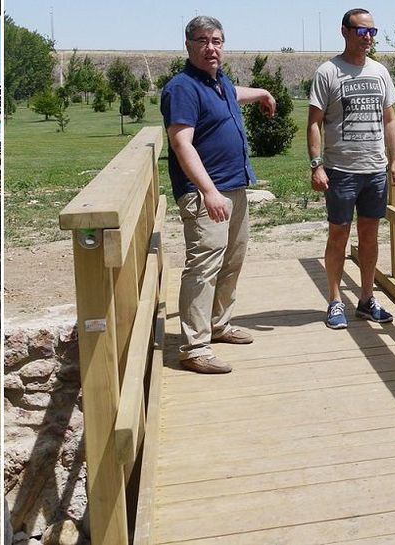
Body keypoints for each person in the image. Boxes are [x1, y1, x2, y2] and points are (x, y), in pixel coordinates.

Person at [161, 15, 277, 374]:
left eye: (216, 41)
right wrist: (208, 191)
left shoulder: (218, 81)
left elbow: (231, 96)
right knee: (204, 267)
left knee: (232, 261)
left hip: (234, 187)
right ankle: (195, 347)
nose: (211, 48)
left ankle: (219, 324)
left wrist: (260, 92)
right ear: (188, 45)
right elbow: (182, 144)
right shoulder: (181, 87)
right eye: (203, 41)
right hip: (205, 193)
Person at [307, 7, 395, 330]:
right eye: (362, 32)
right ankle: (335, 301)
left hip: (374, 170)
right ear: (345, 31)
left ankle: (365, 299)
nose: (368, 38)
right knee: (338, 235)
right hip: (341, 171)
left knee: (371, 237)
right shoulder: (328, 73)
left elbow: (389, 119)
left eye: (372, 33)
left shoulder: (379, 72)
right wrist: (316, 166)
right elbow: (313, 124)